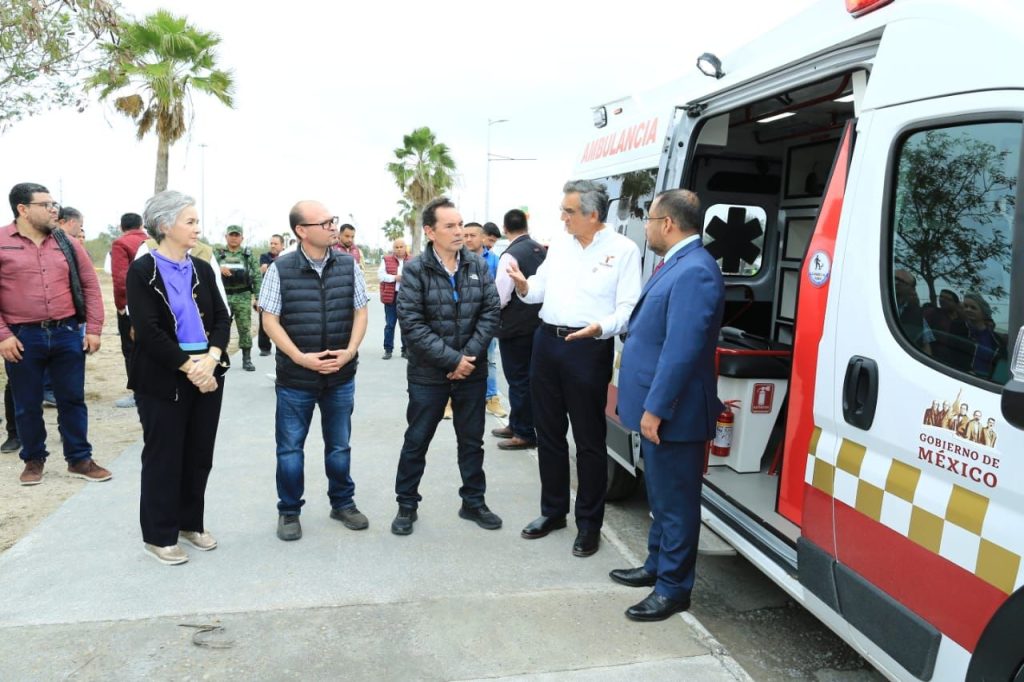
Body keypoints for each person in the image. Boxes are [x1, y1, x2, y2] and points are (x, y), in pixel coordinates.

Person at [508, 180, 641, 557]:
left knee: (588, 440)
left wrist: (600, 327)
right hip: (546, 343)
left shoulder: (623, 250)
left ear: (592, 214)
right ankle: (553, 512)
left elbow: (629, 307)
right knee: (548, 433)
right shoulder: (561, 245)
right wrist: (523, 286)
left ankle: (589, 524)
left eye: (568, 212)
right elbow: (538, 290)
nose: (562, 218)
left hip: (588, 348)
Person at [611, 189, 725, 621]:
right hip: (659, 407)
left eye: (649, 219)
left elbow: (682, 349)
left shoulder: (695, 270)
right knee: (660, 496)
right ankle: (656, 565)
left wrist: (656, 408)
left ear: (668, 224)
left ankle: (674, 588)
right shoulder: (677, 263)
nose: (646, 227)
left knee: (676, 504)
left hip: (675, 412)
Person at [127, 190, 231, 565]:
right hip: (165, 374)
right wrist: (191, 368)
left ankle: (190, 523)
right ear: (165, 225)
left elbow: (223, 318)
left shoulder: (202, 267)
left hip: (208, 367)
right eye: (190, 221)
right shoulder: (143, 271)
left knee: (199, 454)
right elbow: (148, 330)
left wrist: (212, 358)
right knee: (164, 456)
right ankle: (159, 535)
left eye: (196, 221)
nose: (197, 228)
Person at [391, 197, 502, 536]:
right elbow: (411, 323)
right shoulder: (415, 270)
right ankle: (406, 505)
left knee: (472, 442)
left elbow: (490, 312)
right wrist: (453, 360)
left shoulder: (477, 265)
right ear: (430, 231)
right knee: (417, 440)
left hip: (472, 372)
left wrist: (467, 357)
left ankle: (474, 502)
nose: (459, 232)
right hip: (428, 374)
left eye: (461, 224)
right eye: (450, 226)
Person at [259, 201, 369, 542]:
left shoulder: (348, 265)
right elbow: (269, 320)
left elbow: (361, 311)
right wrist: (299, 358)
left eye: (332, 220)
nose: (332, 226)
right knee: (290, 448)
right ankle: (289, 510)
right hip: (296, 379)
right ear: (301, 231)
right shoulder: (281, 269)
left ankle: (343, 503)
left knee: (339, 445)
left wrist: (350, 351)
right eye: (324, 223)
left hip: (340, 376)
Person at [1, 183, 109, 486]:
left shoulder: (67, 242)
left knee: (72, 399)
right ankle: (33, 459)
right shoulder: (2, 241)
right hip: (22, 337)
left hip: (66, 332)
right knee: (27, 404)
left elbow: (90, 285)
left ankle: (80, 459)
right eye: (45, 205)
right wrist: (3, 335)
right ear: (23, 209)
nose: (53, 210)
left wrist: (94, 329)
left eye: (54, 204)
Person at [492, 208, 546, 450]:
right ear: (526, 225)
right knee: (527, 378)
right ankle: (516, 424)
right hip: (539, 324)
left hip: (515, 326)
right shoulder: (540, 250)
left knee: (518, 379)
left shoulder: (510, 255)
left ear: (505, 229)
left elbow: (500, 296)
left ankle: (523, 432)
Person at [464, 222, 506, 418]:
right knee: (454, 359)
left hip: (485, 322)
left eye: (472, 235)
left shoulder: (495, 261)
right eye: (465, 235)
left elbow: (500, 292)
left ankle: (492, 399)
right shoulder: (455, 258)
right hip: (459, 321)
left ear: (483, 237)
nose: (468, 239)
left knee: (489, 360)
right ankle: (449, 401)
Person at [111, 212, 148, 408]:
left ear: (121, 227)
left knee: (131, 350)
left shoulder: (121, 243)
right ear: (141, 225)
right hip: (154, 303)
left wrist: (121, 306)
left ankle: (138, 393)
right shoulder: (151, 241)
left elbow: (121, 279)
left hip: (132, 306)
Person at [216, 225, 261, 372]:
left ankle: (246, 359)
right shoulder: (218, 254)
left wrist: (258, 297)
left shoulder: (248, 255)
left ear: (242, 238)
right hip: (223, 296)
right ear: (226, 237)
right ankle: (220, 357)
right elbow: (207, 270)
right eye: (231, 235)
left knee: (244, 328)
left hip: (243, 296)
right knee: (221, 327)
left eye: (237, 235)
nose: (234, 238)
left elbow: (256, 276)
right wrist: (219, 269)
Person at [378, 237, 409, 360]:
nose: (399, 249)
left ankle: (405, 350)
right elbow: (380, 276)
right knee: (390, 324)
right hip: (391, 297)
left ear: (405, 248)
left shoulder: (412, 260)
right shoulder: (386, 260)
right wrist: (395, 278)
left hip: (407, 297)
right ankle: (388, 350)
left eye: (401, 247)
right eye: (396, 247)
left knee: (406, 325)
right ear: (393, 248)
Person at [257, 234, 284, 356]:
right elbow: (263, 269)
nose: (273, 246)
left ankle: (283, 346)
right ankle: (264, 348)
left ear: (282, 245)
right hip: (268, 291)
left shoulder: (286, 256)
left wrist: (269, 266)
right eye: (271, 243)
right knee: (264, 319)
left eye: (276, 243)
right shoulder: (264, 256)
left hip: (283, 291)